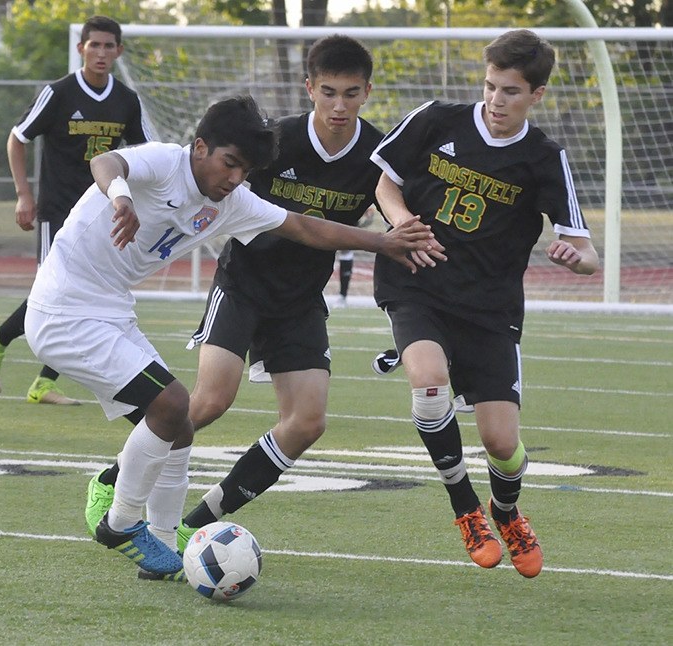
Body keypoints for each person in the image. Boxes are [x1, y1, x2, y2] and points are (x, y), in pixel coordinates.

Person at [25, 94, 435, 577]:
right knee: (175, 403)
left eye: (245, 169)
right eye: (229, 163)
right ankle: (120, 521)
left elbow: (302, 226)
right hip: (63, 308)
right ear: (200, 148)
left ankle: (160, 542)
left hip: (110, 309)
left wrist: (381, 242)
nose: (235, 178)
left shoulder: (232, 201)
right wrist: (120, 197)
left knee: (179, 423)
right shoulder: (165, 161)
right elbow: (106, 159)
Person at [368, 29, 599, 578]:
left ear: (536, 95)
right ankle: (465, 509)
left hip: (491, 307)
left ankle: (507, 510)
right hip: (417, 283)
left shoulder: (544, 157)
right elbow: (384, 184)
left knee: (501, 441)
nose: (496, 100)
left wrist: (574, 256)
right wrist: (402, 224)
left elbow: (589, 253)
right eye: (491, 87)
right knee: (427, 382)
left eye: (511, 92)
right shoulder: (437, 119)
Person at [0, 15, 152, 405]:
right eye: (95, 45)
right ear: (81, 49)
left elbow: (143, 154)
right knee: (54, 291)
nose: (101, 53)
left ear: (119, 52)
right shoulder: (59, 93)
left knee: (81, 295)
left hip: (98, 215)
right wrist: (24, 195)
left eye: (109, 46)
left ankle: (43, 382)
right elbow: (17, 138)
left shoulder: (126, 100)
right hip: (57, 210)